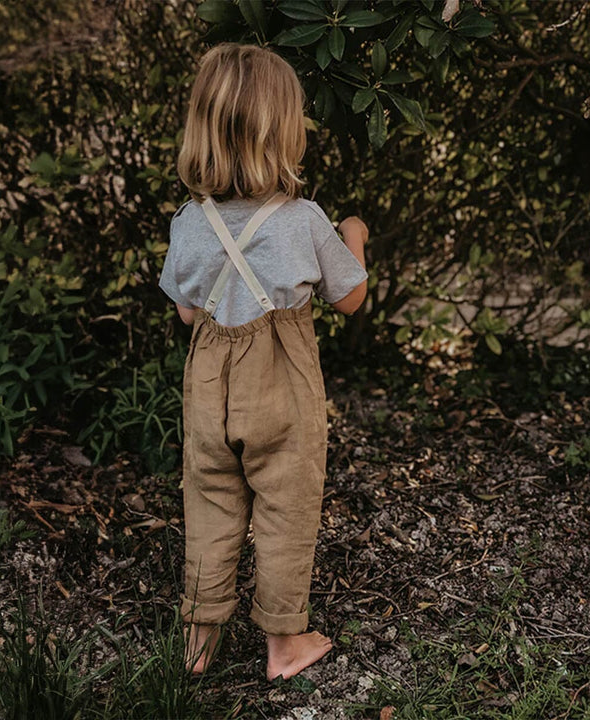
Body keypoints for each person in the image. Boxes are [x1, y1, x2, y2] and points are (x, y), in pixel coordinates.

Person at [158, 43, 368, 681]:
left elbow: (187, 314)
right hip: (282, 375)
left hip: (209, 380)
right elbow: (352, 299)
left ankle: (198, 642)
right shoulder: (305, 220)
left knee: (211, 497)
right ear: (283, 133)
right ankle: (284, 644)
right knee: (286, 503)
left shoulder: (190, 222)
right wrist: (354, 233)